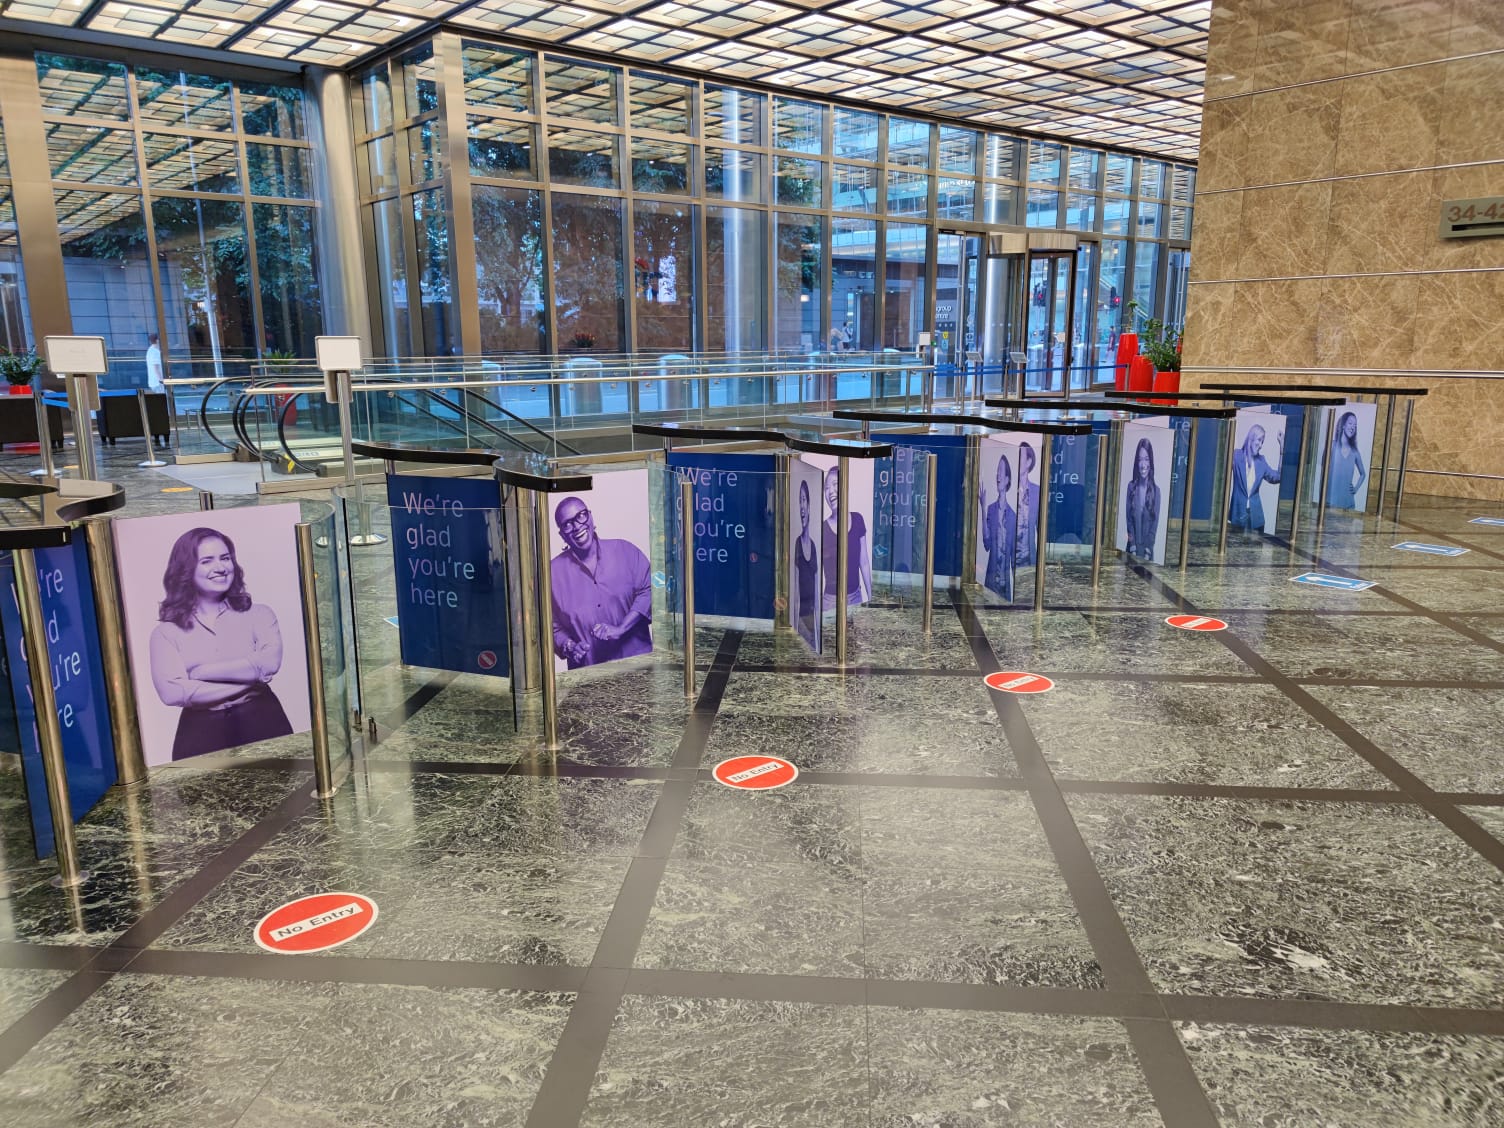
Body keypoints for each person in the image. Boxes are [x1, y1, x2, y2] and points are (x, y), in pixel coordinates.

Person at [149, 527, 294, 761]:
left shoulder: (260, 614)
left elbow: (268, 664)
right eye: (207, 561)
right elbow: (173, 692)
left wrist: (202, 673)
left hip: (263, 719)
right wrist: (245, 683)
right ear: (186, 570)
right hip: (201, 733)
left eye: (225, 558)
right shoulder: (165, 633)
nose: (220, 568)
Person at [549, 495, 653, 669]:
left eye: (581, 516)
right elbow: (549, 625)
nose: (576, 527)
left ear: (590, 516)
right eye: (567, 524)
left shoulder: (625, 551)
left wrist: (622, 627)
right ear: (562, 534)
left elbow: (652, 589)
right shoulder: (551, 573)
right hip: (588, 676)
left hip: (638, 668)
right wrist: (569, 647)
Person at [821, 465, 872, 610]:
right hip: (830, 602)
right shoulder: (822, 529)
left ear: (845, 487)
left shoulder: (857, 519)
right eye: (826, 488)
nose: (830, 491)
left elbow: (864, 563)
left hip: (856, 597)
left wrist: (871, 597)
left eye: (835, 484)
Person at [1229, 422, 1283, 533]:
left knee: (1255, 550)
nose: (1261, 445)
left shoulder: (1261, 461)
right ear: (1251, 439)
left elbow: (1277, 477)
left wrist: (1282, 449)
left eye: (1262, 441)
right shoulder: (1236, 455)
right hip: (1238, 515)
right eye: (1259, 440)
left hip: (1256, 520)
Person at [978, 450, 1016, 601]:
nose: (997, 476)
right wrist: (982, 507)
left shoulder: (1013, 516)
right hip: (991, 579)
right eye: (997, 472)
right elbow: (986, 544)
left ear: (1007, 479)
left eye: (1000, 472)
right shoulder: (991, 509)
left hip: (1005, 583)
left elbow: (1013, 555)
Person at [1124, 437, 1161, 560]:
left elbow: (1154, 526)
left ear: (1151, 462)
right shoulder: (1131, 487)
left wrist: (1148, 551)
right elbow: (1128, 520)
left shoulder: (1156, 491)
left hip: (1147, 553)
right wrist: (1133, 546)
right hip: (1131, 550)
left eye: (1146, 459)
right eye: (1140, 460)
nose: (1143, 464)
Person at [793, 478, 819, 648]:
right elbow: (795, 592)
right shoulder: (797, 544)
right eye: (799, 500)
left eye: (804, 500)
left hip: (812, 619)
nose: (802, 506)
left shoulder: (815, 546)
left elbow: (817, 595)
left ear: (809, 507)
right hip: (801, 620)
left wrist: (817, 636)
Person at [1326, 410, 1367, 510]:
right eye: (1350, 423)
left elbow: (1363, 474)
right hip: (1330, 503)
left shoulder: (1355, 451)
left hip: (1349, 505)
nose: (1353, 427)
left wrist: (1356, 488)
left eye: (1355, 425)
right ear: (1343, 425)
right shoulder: (1332, 445)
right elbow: (1323, 470)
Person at [1014, 442, 1040, 567]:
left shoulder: (1037, 492)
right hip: (1010, 560)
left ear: (1028, 462)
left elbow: (1040, 528)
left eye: (1020, 456)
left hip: (1029, 559)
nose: (1016, 460)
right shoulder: (1010, 491)